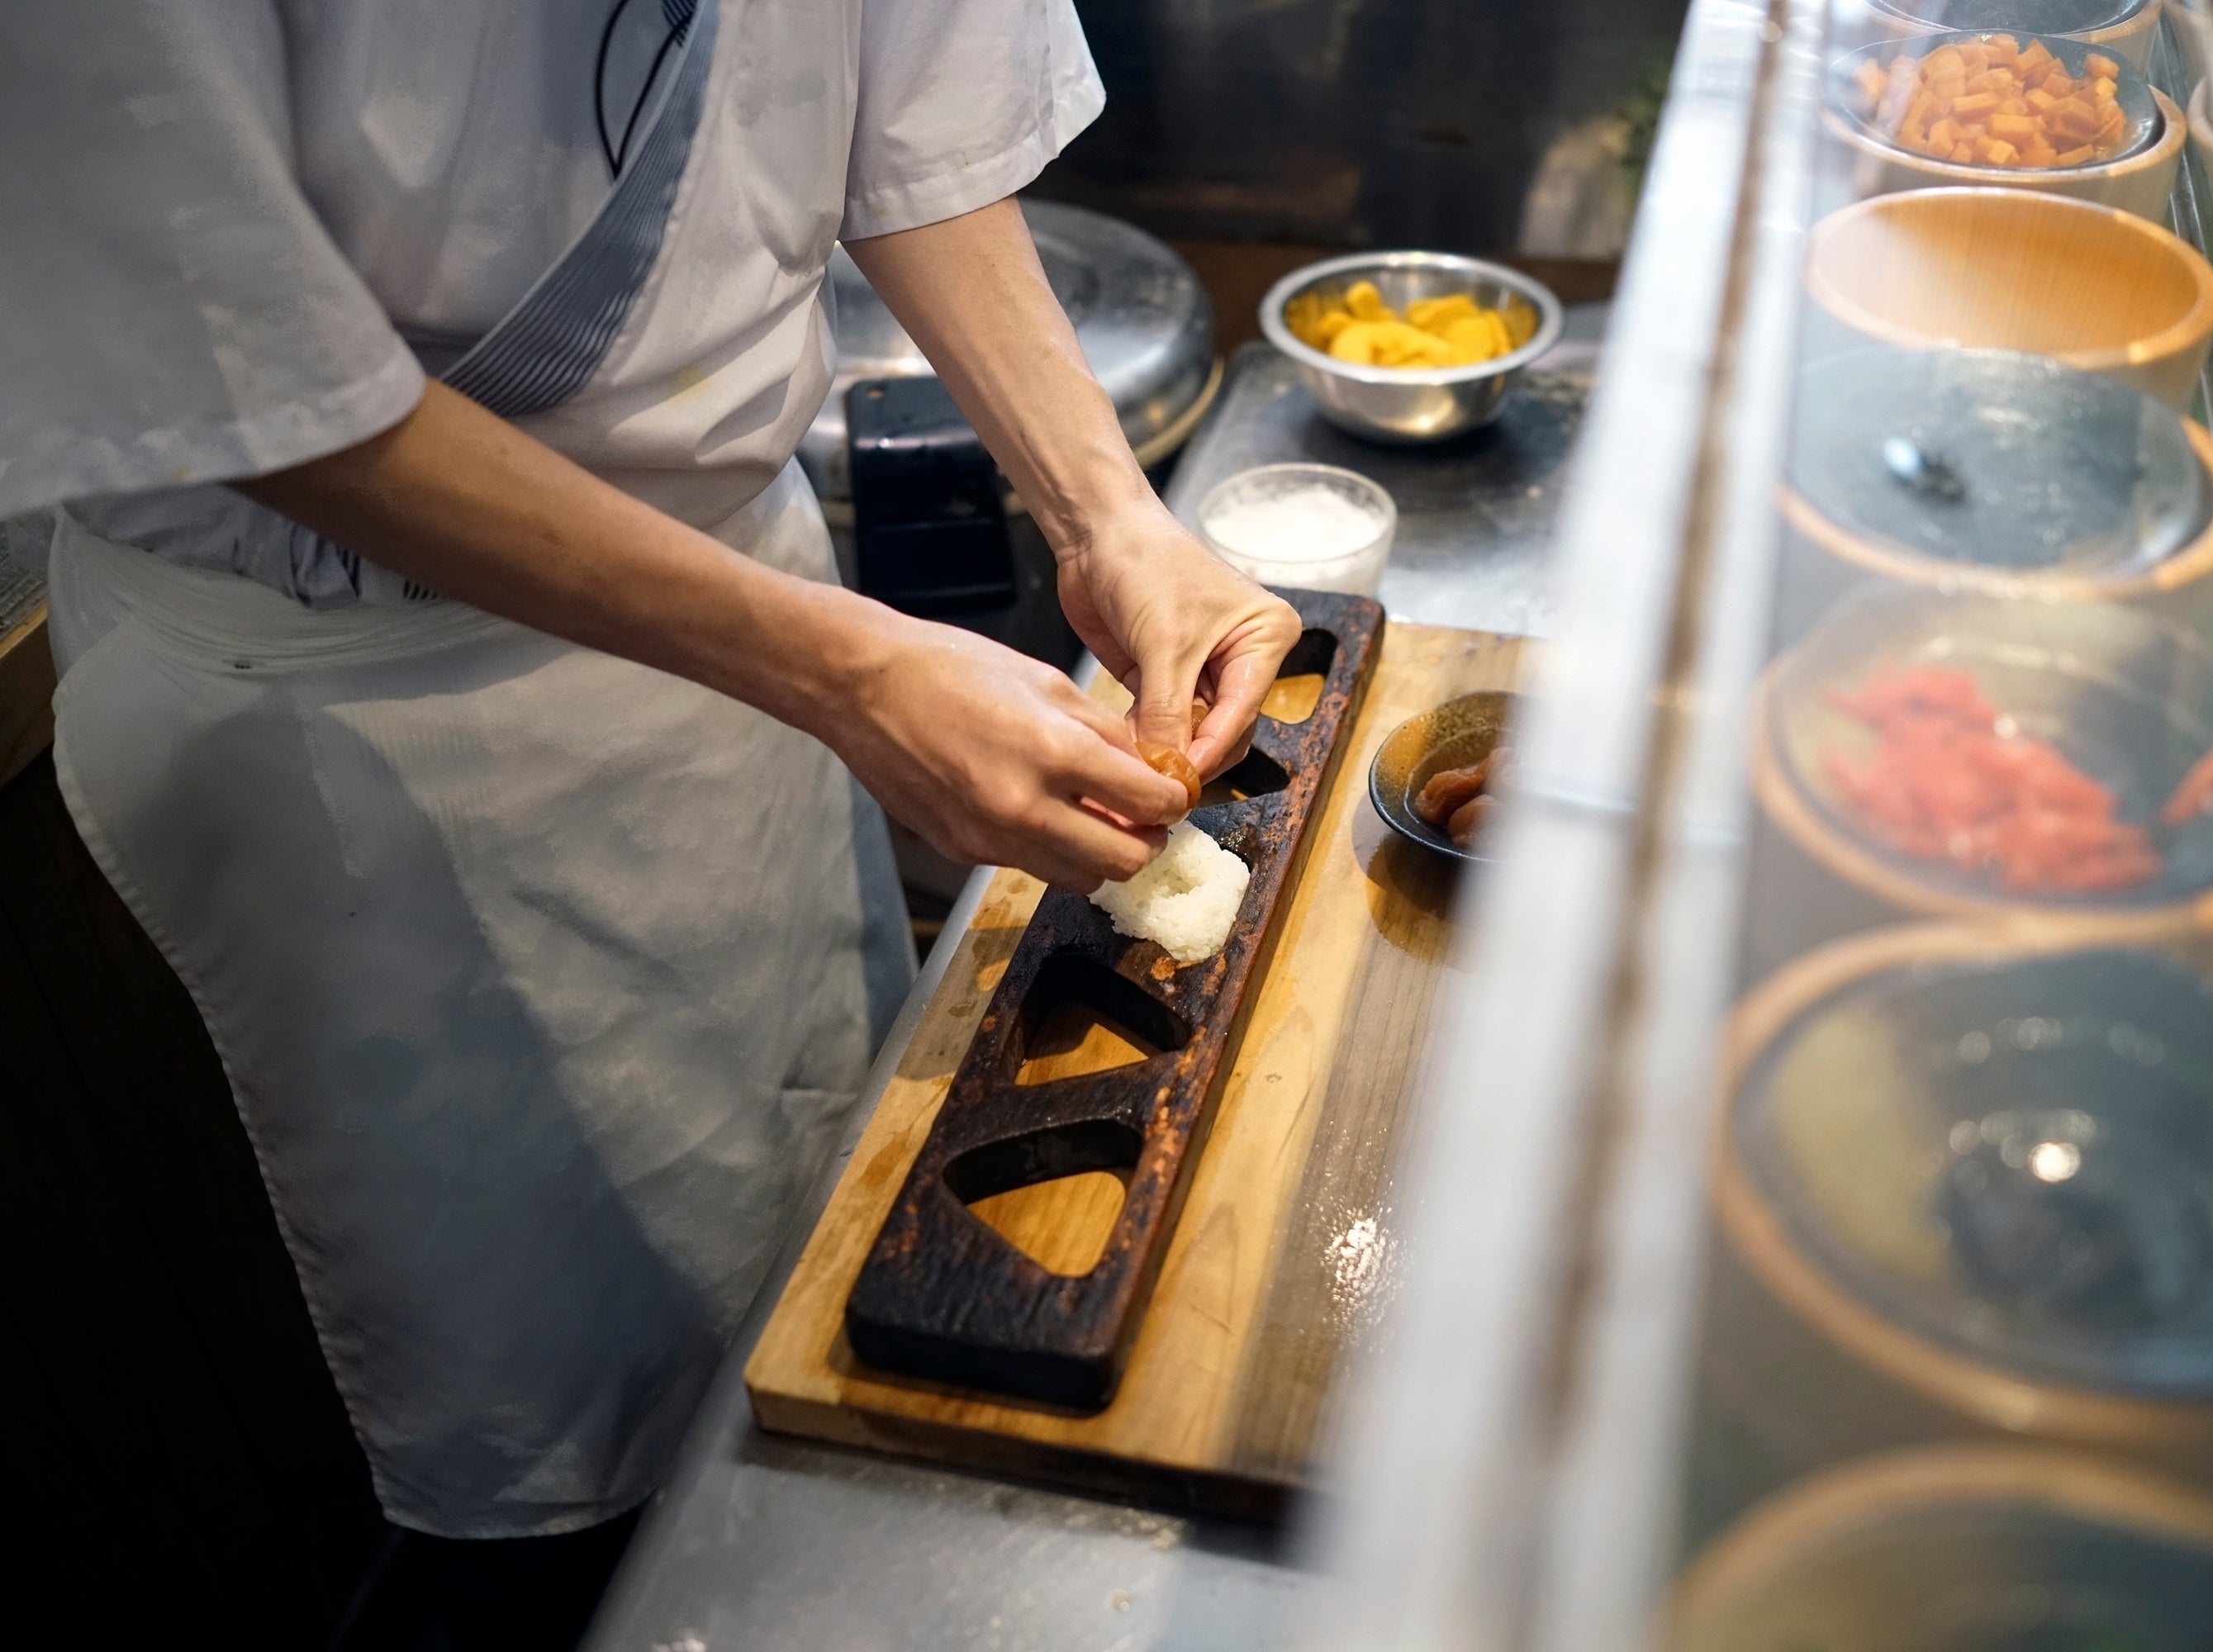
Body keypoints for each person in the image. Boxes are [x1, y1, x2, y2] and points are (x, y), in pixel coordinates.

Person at [0, 0, 1298, 1563]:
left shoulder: (825, 654)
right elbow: (239, 369)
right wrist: (850, 673)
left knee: (806, 1245)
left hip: (756, 619)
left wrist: (1109, 514)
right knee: (550, 1387)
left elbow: (914, 93)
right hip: (365, 713)